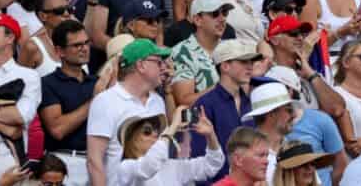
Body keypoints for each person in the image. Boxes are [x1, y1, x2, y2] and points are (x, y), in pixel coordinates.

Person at [86, 38, 171, 186]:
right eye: (159, 62)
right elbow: (94, 161)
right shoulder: (106, 101)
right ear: (141, 65)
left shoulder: (158, 102)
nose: (164, 67)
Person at [40, 19, 105, 185]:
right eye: (76, 45)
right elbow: (57, 129)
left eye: (86, 43)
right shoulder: (48, 83)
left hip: (98, 161)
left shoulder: (96, 82)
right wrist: (95, 100)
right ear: (59, 51)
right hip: (64, 161)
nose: (84, 48)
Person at [115, 110, 225, 186]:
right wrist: (172, 128)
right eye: (147, 131)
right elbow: (148, 166)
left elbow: (211, 165)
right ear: (132, 140)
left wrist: (211, 135)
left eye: (156, 130)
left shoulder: (172, 166)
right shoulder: (125, 168)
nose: (155, 134)